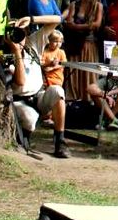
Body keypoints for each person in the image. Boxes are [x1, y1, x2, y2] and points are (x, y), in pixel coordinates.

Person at [9, 14, 71, 157]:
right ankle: (22, 138)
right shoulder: (6, 54)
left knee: (57, 91)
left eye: (21, 32)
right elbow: (20, 82)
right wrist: (16, 51)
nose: (18, 36)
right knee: (30, 120)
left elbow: (58, 19)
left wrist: (31, 19)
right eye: (13, 32)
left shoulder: (32, 44)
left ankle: (60, 141)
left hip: (39, 95)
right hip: (20, 101)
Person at [62, 0, 103, 102]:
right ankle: (73, 98)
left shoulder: (97, 6)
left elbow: (97, 24)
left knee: (88, 72)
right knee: (74, 71)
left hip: (89, 45)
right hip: (75, 44)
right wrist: (86, 26)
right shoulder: (74, 4)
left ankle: (89, 99)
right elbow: (69, 23)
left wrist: (77, 26)